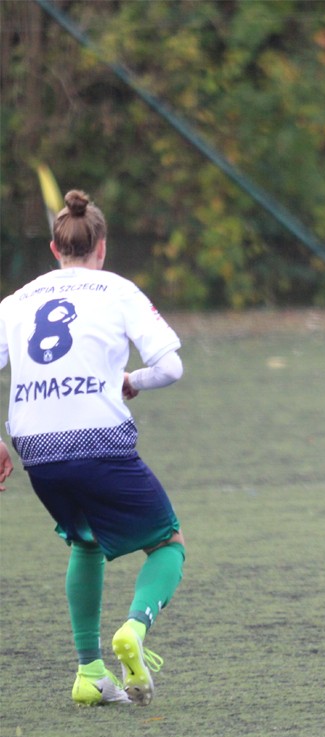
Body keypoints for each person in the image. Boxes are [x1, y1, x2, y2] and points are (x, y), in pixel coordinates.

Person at [0, 190, 186, 704]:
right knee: (168, 543)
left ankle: (89, 674)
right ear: (101, 247)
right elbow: (171, 367)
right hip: (98, 440)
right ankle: (134, 629)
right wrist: (132, 381)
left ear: (54, 250)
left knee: (85, 541)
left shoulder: (16, 301)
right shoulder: (117, 290)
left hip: (36, 447)